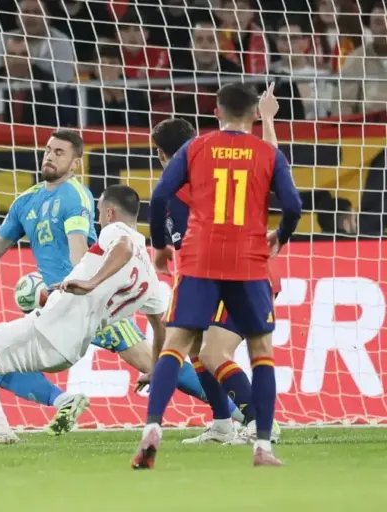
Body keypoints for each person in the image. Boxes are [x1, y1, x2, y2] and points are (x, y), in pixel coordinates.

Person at [137, 83, 302, 469]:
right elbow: (289, 198)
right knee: (251, 352)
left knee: (186, 347)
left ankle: (156, 426)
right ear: (254, 114)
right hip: (249, 262)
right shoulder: (262, 153)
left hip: (204, 262)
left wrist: (159, 246)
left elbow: (159, 197)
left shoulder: (196, 154)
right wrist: (281, 235)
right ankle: (252, 438)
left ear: (216, 112)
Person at [0, 185, 164, 434]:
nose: (98, 220)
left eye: (99, 212)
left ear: (109, 213)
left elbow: (124, 247)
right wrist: (156, 370)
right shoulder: (150, 277)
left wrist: (91, 283)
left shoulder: (115, 231)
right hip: (72, 348)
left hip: (51, 325)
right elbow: (160, 326)